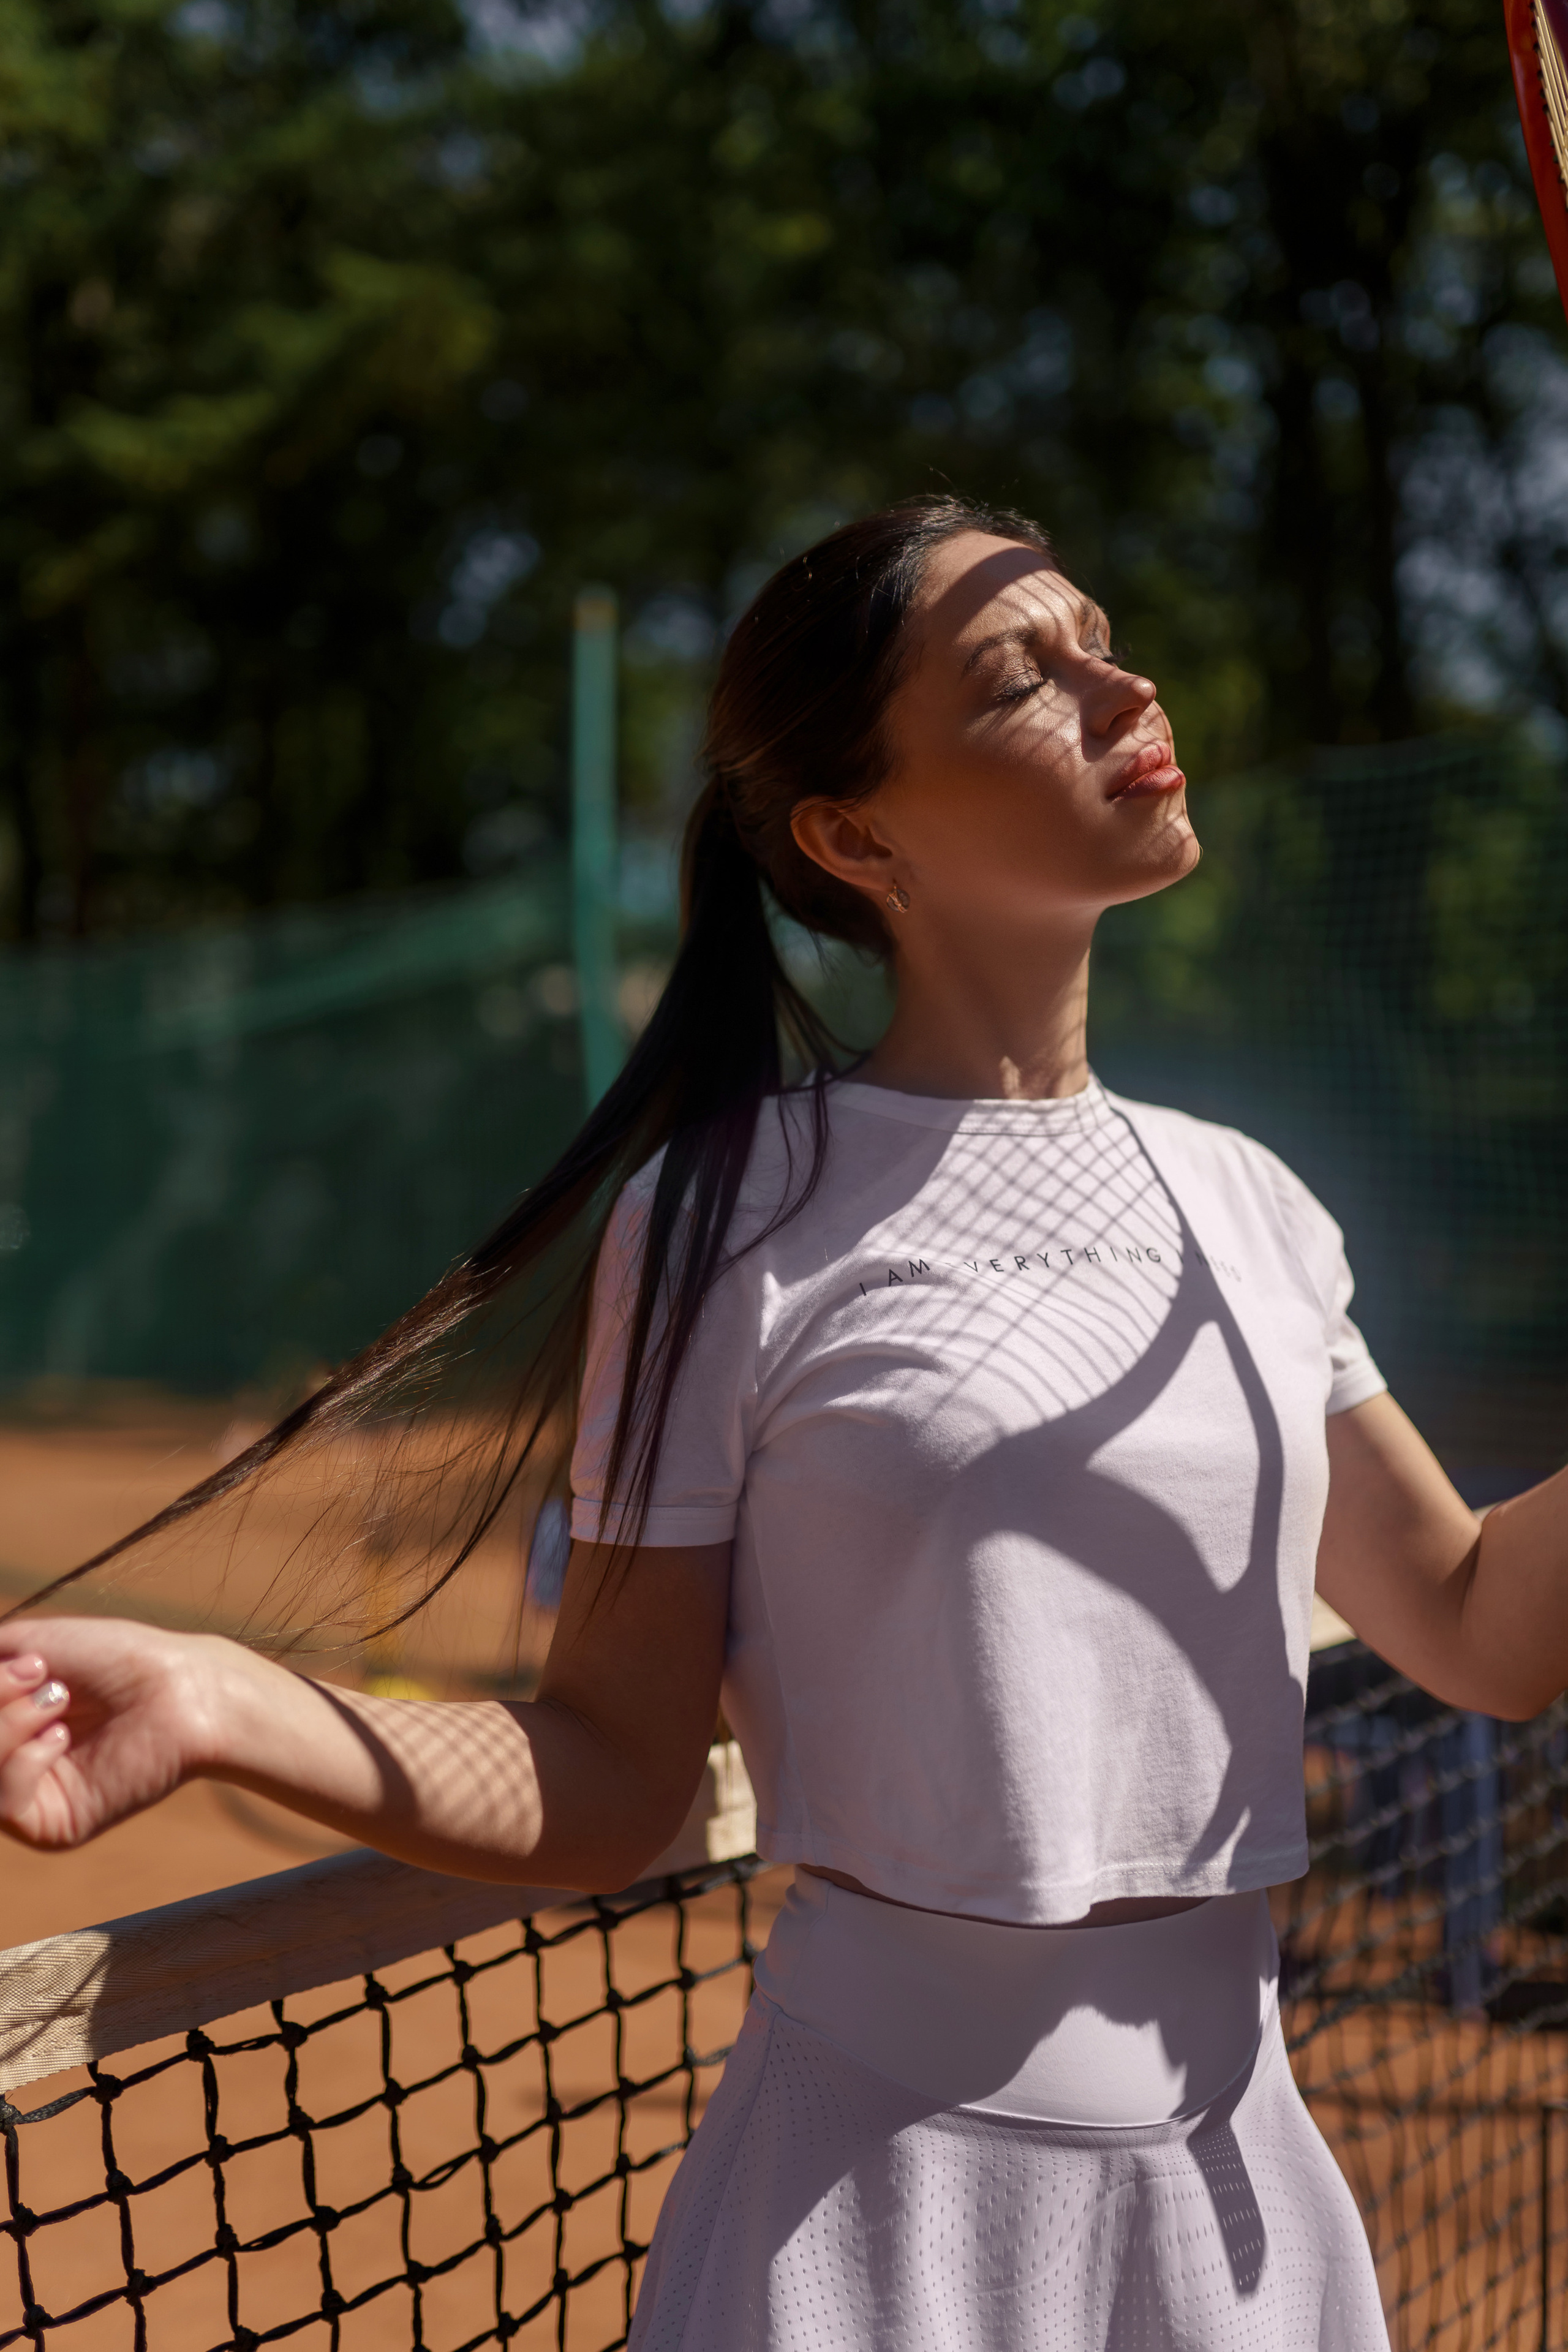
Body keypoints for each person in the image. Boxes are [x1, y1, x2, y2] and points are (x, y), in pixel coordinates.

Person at [2, 497, 1565, 2351]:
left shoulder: (1255, 1203)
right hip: (871, 2214)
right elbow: (612, 1771)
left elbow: (1478, 1629)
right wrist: (220, 1701)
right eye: (1022, 670)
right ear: (854, 834)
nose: (1120, 682)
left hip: (1238, 2214)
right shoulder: (725, 1211)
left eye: (1098, 634)